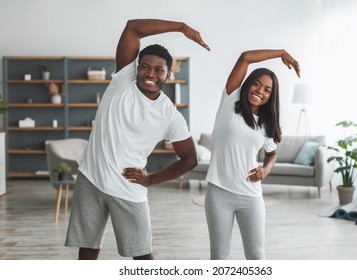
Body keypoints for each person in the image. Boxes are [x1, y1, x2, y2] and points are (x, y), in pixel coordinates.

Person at [65, 19, 210, 260]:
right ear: (136, 68)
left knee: (142, 257)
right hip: (90, 179)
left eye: (158, 69)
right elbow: (133, 27)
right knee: (87, 252)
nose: (150, 73)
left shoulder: (170, 114)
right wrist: (180, 27)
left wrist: (151, 179)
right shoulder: (123, 80)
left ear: (168, 75)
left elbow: (189, 159)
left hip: (128, 189)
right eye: (145, 66)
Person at [205, 49, 300, 260]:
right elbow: (245, 57)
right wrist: (282, 53)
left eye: (267, 90)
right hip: (219, 193)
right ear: (248, 84)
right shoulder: (231, 100)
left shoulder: (267, 124)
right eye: (256, 83)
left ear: (271, 96)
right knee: (219, 256)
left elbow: (271, 154)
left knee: (257, 256)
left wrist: (265, 170)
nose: (260, 91)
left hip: (251, 196)